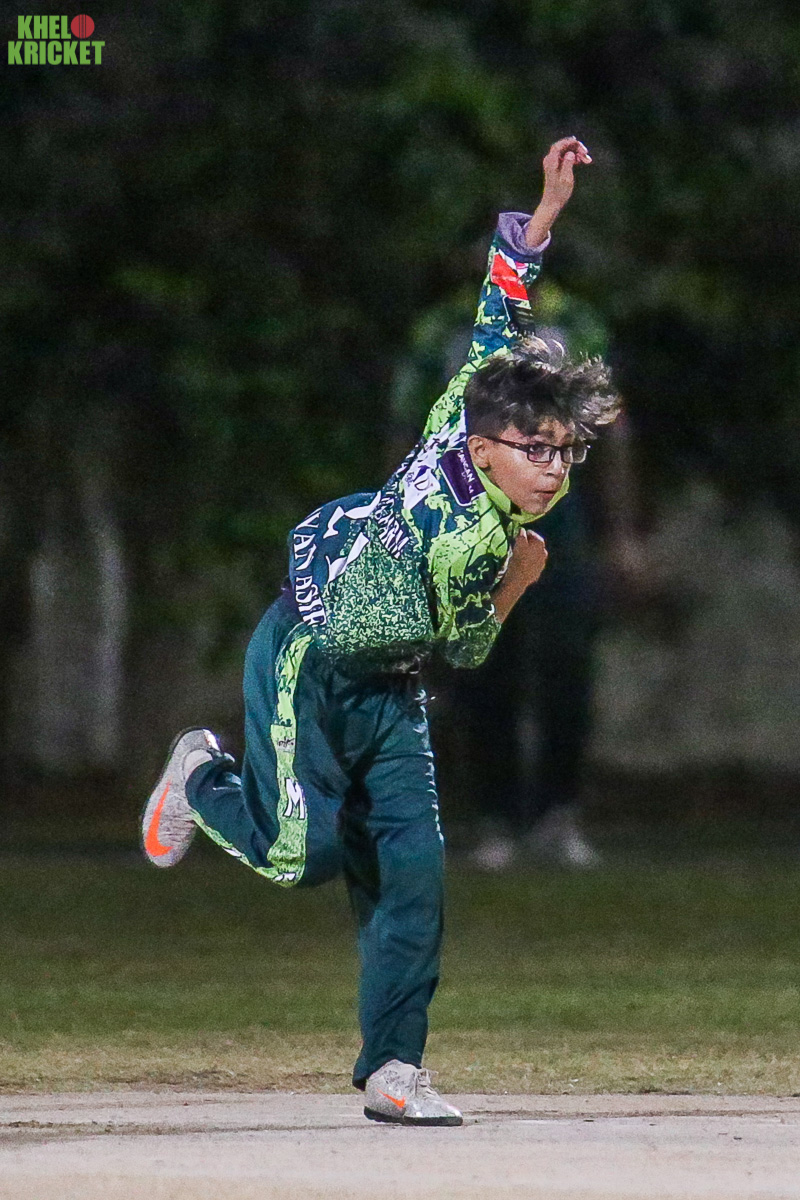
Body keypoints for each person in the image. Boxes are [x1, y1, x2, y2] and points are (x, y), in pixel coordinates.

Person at [141, 137, 619, 1127]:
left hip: (390, 690)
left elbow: (501, 304)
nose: (553, 470)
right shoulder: (469, 484)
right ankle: (201, 778)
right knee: (299, 858)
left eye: (565, 454)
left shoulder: (482, 468)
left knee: (412, 874)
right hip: (308, 660)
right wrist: (517, 584)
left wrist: (542, 216)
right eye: (537, 451)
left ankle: (394, 1068)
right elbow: (469, 649)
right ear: (484, 444)